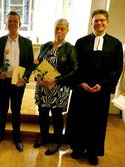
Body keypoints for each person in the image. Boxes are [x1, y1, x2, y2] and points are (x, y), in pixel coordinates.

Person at [65, 9, 123, 165]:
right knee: (79, 120)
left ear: (107, 22)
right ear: (91, 23)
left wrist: (102, 85)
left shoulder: (115, 44)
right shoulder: (81, 42)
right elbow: (75, 66)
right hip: (82, 89)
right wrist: (80, 83)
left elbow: (117, 68)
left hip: (100, 91)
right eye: (96, 20)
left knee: (96, 123)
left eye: (102, 20)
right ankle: (77, 148)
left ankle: (92, 152)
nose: (99, 23)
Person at [33, 19, 78, 155]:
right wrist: (38, 75)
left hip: (59, 87)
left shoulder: (70, 48)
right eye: (57, 28)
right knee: (42, 113)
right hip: (42, 87)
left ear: (67, 31)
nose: (59, 31)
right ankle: (43, 135)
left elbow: (75, 70)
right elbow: (38, 63)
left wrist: (56, 80)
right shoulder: (45, 46)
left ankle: (56, 140)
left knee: (57, 115)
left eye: (62, 29)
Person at [0, 11, 34, 152]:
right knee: (3, 110)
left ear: (20, 24)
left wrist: (25, 78)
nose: (12, 23)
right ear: (6, 24)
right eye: (10, 21)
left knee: (16, 110)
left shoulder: (27, 43)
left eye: (15, 21)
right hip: (3, 82)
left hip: (18, 82)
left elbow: (30, 64)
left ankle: (17, 137)